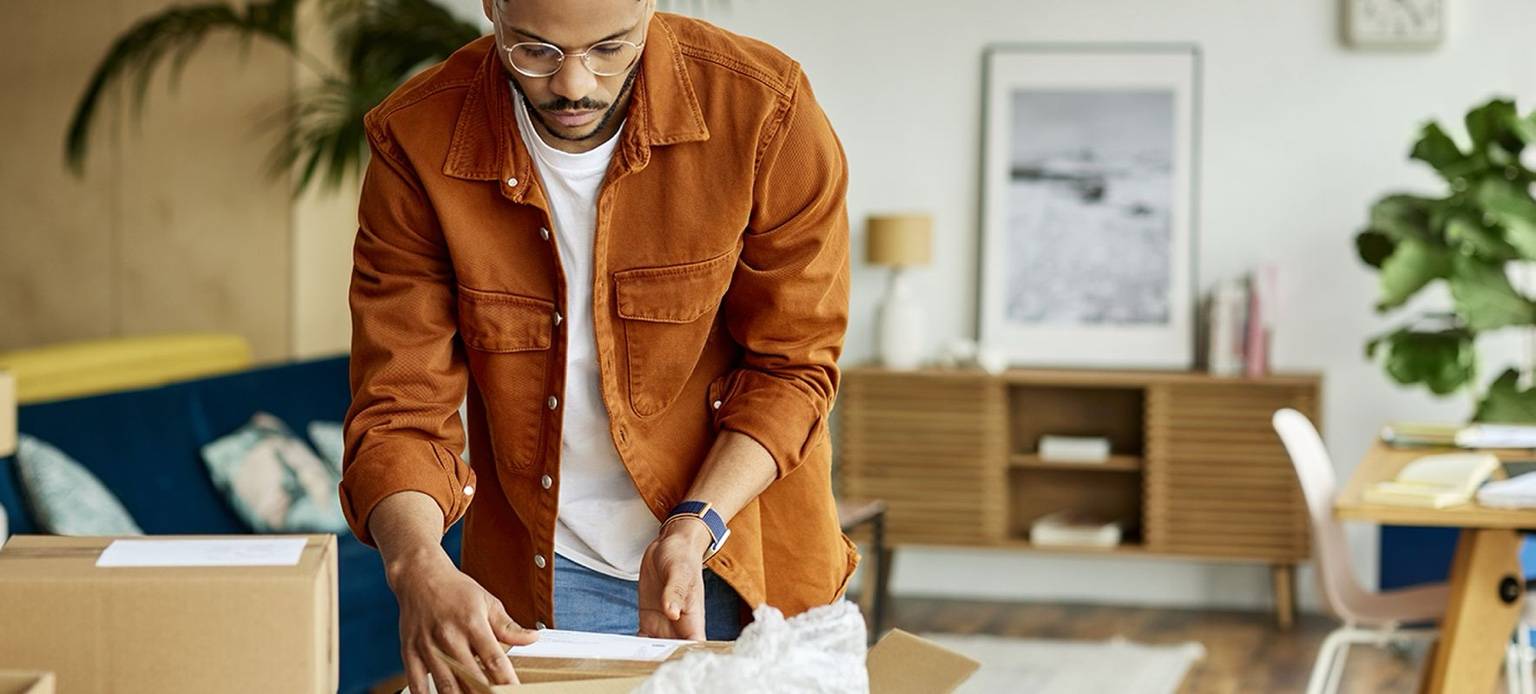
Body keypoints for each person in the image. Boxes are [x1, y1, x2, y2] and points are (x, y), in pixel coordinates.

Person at [337, 1, 853, 691]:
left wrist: (694, 525)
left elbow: (793, 368)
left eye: (610, 49)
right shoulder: (417, 138)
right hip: (547, 574)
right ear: (492, 7)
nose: (574, 85)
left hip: (749, 551)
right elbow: (400, 407)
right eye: (535, 51)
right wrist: (417, 565)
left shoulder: (764, 111)